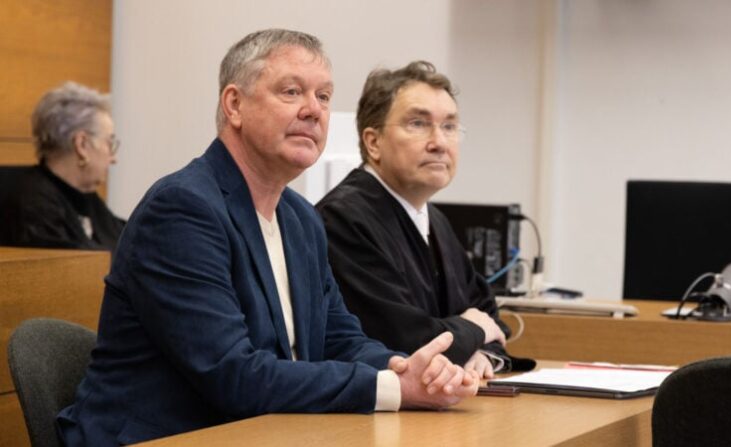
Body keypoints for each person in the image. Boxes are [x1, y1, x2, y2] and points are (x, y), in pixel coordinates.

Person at [56, 30, 477, 446]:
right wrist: (391, 389)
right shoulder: (182, 210)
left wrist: (405, 368)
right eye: (292, 92)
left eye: (325, 97)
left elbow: (339, 338)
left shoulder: (301, 218)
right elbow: (233, 374)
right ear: (235, 104)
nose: (314, 111)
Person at [316, 61, 534, 379]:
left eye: (449, 127)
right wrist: (474, 329)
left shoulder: (435, 219)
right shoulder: (342, 219)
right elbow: (402, 338)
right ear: (373, 142)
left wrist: (483, 352)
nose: (439, 142)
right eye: (418, 124)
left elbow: (488, 313)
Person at [1, 82, 125, 252]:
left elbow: (127, 240)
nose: (113, 158)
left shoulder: (86, 196)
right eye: (109, 143)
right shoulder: (34, 206)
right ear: (82, 145)